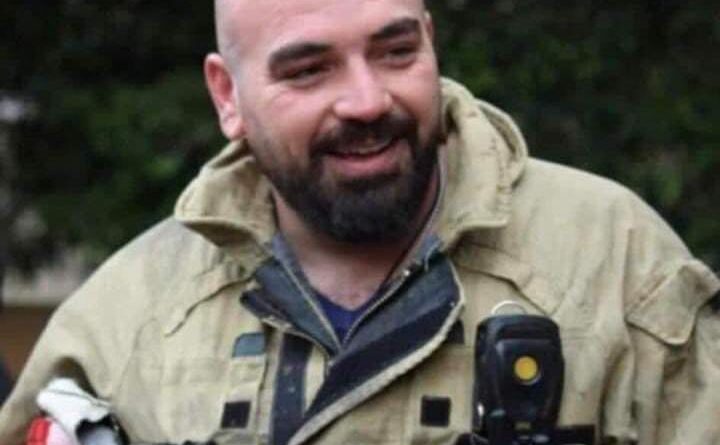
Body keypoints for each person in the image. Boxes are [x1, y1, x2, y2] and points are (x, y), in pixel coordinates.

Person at [1, 0, 718, 444]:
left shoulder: (615, 261)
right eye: (309, 70)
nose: (368, 100)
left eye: (396, 51)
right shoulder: (121, 324)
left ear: (430, 39)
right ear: (228, 96)